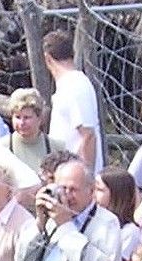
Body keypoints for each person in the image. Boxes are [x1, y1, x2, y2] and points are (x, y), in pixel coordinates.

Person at [42, 29, 103, 173]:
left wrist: (85, 176)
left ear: (47, 58)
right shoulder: (66, 85)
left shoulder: (75, 85)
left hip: (76, 179)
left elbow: (88, 135)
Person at [94, 167, 142, 261]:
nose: (93, 194)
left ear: (116, 194)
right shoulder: (94, 222)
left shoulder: (129, 232)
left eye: (99, 189)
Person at [1, 89, 59, 174]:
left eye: (27, 117)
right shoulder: (2, 148)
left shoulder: (57, 147)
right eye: (17, 117)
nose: (21, 123)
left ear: (39, 118)